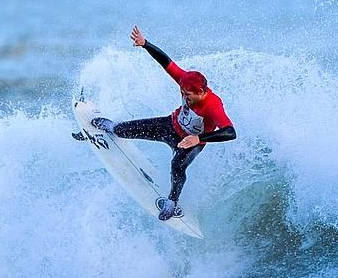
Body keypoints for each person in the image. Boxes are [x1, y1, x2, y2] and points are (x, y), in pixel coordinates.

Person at [91, 26, 236, 221]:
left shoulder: (213, 105)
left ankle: (172, 203)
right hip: (170, 126)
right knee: (123, 129)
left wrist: (198, 139)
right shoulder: (186, 82)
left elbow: (230, 132)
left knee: (177, 165)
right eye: (183, 93)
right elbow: (165, 61)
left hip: (189, 142)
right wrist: (145, 44)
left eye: (189, 95)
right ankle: (112, 127)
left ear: (202, 92)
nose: (185, 96)